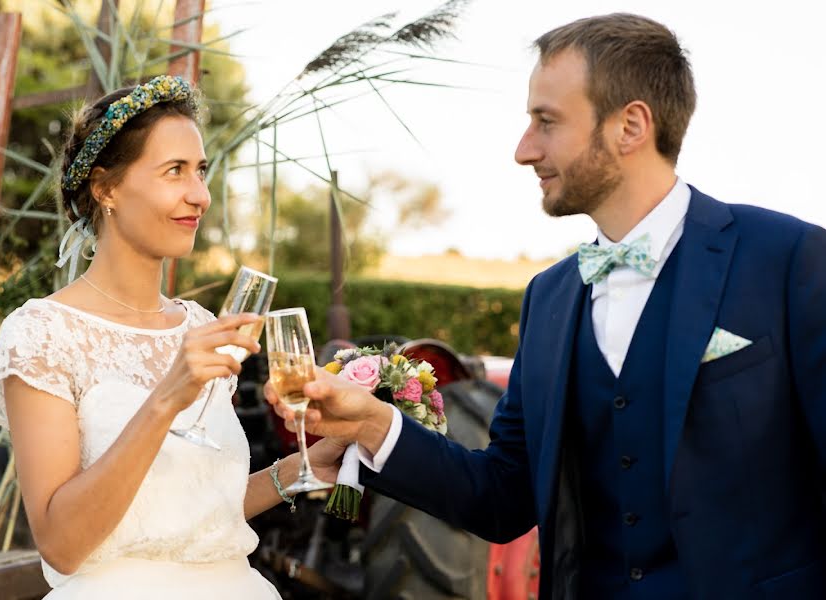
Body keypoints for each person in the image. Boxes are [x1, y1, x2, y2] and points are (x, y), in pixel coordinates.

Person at [266, 13, 826, 599]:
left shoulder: (787, 261)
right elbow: (503, 496)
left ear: (630, 126)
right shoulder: (551, 297)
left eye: (546, 121)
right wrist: (375, 424)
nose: (523, 149)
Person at [0, 75, 346, 599]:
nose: (199, 195)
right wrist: (165, 400)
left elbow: (184, 514)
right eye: (174, 171)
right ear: (106, 188)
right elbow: (61, 544)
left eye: (200, 171)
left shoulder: (200, 326)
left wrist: (296, 471)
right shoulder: (43, 334)